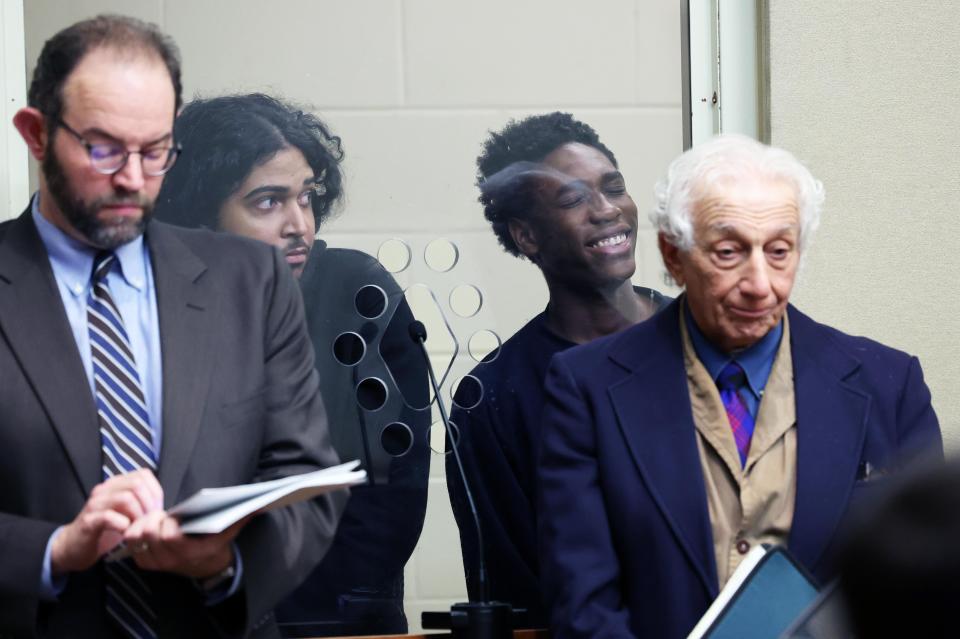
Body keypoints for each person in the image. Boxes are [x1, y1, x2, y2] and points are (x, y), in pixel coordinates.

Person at [1, 16, 345, 638]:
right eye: (103, 149)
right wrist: (54, 549)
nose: (133, 178)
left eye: (155, 151)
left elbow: (305, 482)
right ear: (36, 135)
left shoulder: (251, 281)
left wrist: (227, 564)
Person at [537, 134, 943, 638]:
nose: (759, 283)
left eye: (779, 252)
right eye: (729, 252)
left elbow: (928, 595)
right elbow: (584, 604)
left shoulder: (890, 384)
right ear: (674, 255)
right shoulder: (586, 388)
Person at [155, 93, 430, 637]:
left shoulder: (356, 291)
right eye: (267, 202)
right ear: (200, 213)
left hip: (340, 611)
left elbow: (399, 479)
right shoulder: (158, 310)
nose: (298, 224)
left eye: (306, 197)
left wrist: (340, 604)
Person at [446, 112, 670, 627]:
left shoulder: (703, 341)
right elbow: (514, 589)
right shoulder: (493, 397)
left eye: (614, 188)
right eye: (573, 200)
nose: (607, 210)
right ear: (526, 236)